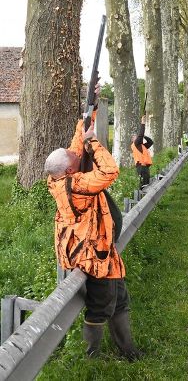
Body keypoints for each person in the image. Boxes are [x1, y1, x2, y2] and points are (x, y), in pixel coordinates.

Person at [44, 97, 142, 360]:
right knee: (101, 306)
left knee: (119, 299)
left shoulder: (64, 172)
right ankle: (92, 359)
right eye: (75, 156)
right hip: (92, 256)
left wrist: (91, 106)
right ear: (69, 169)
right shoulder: (76, 187)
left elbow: (76, 142)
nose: (78, 152)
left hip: (103, 252)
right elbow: (110, 171)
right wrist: (93, 142)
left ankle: (128, 350)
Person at [131, 115, 153, 189]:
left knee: (146, 184)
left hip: (145, 166)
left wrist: (144, 136)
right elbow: (140, 136)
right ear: (133, 139)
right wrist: (143, 123)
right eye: (135, 137)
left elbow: (151, 142)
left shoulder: (141, 146)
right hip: (141, 166)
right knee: (143, 185)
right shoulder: (136, 144)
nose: (137, 137)